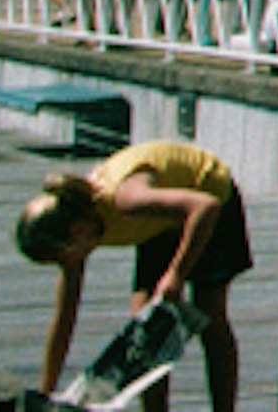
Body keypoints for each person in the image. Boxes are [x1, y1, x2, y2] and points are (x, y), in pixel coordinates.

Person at [17, 138, 253, 412]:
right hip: (161, 220)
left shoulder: (125, 200)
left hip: (210, 198)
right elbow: (65, 316)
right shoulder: (80, 222)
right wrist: (46, 393)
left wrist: (176, 274)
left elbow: (206, 206)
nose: (65, 266)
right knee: (145, 333)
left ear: (78, 232)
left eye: (61, 259)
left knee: (210, 314)